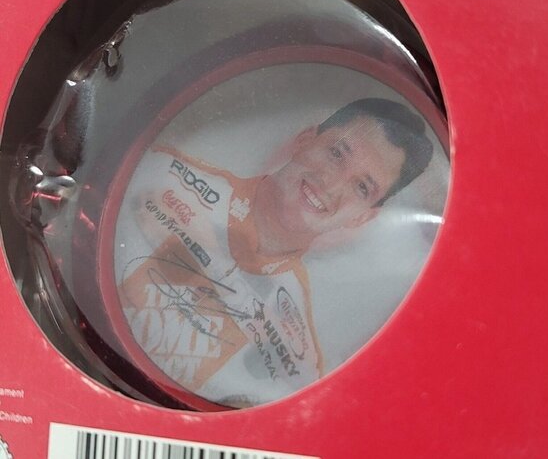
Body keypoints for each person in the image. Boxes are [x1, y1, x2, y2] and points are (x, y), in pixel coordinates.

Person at [117, 98, 433, 407]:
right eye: (337, 153)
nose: (331, 184)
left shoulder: (298, 358)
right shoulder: (159, 175)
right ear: (304, 141)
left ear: (362, 217)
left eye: (362, 187)